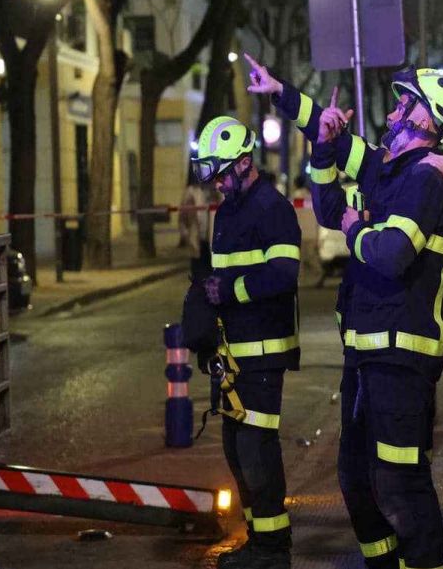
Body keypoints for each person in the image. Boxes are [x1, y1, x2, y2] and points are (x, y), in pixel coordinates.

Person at [246, 57, 443, 569]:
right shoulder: (389, 166)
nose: (391, 112)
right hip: (368, 348)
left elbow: (389, 254)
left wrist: (353, 225)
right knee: (356, 476)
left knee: (399, 480)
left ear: (426, 121)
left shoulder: (425, 179)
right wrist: (288, 99)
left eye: (403, 103)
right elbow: (331, 156)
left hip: (401, 352)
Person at [189, 115, 301, 569]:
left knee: (257, 451)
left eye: (220, 173)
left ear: (243, 162)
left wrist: (228, 290)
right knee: (238, 452)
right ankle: (260, 540)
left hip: (264, 355)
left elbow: (284, 274)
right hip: (235, 355)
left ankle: (274, 551)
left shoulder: (272, 208)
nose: (216, 183)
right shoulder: (228, 213)